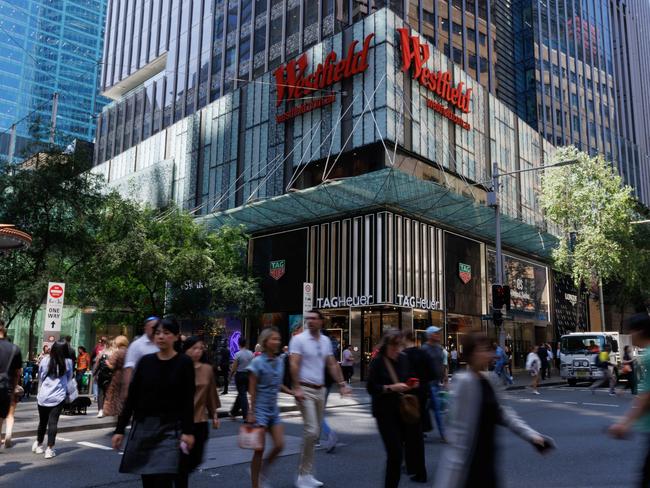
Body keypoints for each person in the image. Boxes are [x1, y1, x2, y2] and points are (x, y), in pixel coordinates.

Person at [434, 333, 553, 488]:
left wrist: (532, 436)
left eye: (488, 349)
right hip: (468, 462)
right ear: (471, 354)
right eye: (482, 349)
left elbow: (504, 414)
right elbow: (455, 427)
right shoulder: (462, 382)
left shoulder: (491, 379)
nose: (488, 354)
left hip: (488, 458)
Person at [111, 318, 195, 488]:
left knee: (164, 478)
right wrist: (120, 429)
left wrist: (188, 431)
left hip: (170, 428)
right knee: (148, 480)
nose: (161, 337)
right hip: (144, 426)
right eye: (157, 333)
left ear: (176, 336)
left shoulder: (184, 363)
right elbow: (133, 397)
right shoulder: (146, 362)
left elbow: (187, 399)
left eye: (166, 333)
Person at [290, 310, 351, 488]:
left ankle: (307, 474)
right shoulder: (299, 339)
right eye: (308, 318)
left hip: (320, 390)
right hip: (305, 389)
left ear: (321, 321)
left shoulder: (325, 341)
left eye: (314, 318)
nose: (310, 321)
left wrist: (341, 383)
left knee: (315, 433)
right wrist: (296, 387)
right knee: (311, 431)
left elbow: (332, 363)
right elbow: (293, 363)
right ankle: (302, 475)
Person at [367, 329, 421, 488]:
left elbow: (411, 375)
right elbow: (371, 388)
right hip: (384, 412)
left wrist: (412, 384)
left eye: (400, 345)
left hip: (403, 411)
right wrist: (391, 388)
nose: (397, 349)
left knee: (402, 452)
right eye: (394, 345)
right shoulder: (378, 361)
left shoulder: (404, 359)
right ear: (387, 344)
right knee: (395, 453)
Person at [609, 313, 650, 486]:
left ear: (639, 331)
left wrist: (624, 423)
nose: (629, 335)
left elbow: (646, 396)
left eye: (630, 331)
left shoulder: (647, 357)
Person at [247, 327, 291, 488]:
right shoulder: (257, 362)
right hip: (260, 410)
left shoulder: (280, 361)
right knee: (259, 450)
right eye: (274, 339)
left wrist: (293, 393)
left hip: (274, 409)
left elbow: (278, 384)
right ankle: (255, 484)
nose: (277, 342)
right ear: (265, 342)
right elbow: (252, 388)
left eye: (278, 339)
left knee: (280, 445)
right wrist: (251, 411)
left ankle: (262, 472)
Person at [180, 337, 220, 488]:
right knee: (182, 462)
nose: (197, 352)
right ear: (186, 349)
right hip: (182, 421)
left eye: (200, 348)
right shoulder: (180, 366)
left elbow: (211, 393)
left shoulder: (207, 369)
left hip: (201, 421)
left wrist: (214, 414)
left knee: (196, 459)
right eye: (194, 348)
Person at [33, 340, 73, 459]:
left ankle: (39, 444)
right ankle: (49, 449)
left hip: (44, 395)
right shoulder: (68, 362)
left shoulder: (45, 360)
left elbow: (41, 375)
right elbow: (70, 377)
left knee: (42, 422)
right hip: (58, 396)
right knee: (53, 423)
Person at [401, 331, 431, 482]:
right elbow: (432, 373)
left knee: (406, 434)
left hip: (408, 398)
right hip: (422, 395)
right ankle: (419, 470)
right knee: (416, 435)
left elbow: (403, 376)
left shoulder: (404, 355)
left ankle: (410, 465)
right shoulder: (423, 354)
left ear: (406, 339)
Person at [122, 317, 160, 400]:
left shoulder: (161, 343)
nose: (155, 329)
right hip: (142, 389)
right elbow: (129, 368)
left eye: (157, 327)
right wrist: (127, 390)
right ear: (145, 328)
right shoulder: (137, 345)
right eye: (153, 327)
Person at [0, 320, 22, 449]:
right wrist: (14, 387)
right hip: (7, 385)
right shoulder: (15, 349)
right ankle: (8, 435)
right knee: (8, 413)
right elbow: (18, 372)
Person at [422, 325, 446, 441]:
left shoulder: (439, 348)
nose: (438, 335)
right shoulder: (424, 349)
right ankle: (444, 434)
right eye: (436, 333)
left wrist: (445, 378)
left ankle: (418, 429)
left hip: (436, 383)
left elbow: (442, 364)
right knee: (437, 410)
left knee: (426, 408)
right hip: (428, 384)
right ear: (430, 335)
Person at [103, 335, 130, 417]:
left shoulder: (118, 353)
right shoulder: (129, 352)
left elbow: (112, 365)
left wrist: (106, 361)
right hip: (127, 375)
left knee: (115, 396)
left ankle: (117, 413)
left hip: (117, 377)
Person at [230, 336, 254, 420]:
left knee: (242, 395)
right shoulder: (251, 353)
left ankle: (246, 415)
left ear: (239, 344)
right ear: (246, 343)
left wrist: (230, 375)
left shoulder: (238, 354)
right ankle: (233, 412)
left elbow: (234, 367)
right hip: (249, 375)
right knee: (241, 394)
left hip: (240, 375)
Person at [94, 341, 114, 418]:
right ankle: (108, 410)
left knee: (100, 393)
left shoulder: (101, 353)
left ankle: (100, 411)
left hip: (102, 375)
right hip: (111, 375)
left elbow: (97, 364)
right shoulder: (114, 353)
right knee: (109, 393)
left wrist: (95, 374)